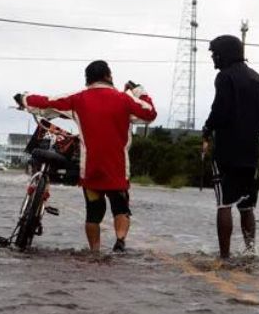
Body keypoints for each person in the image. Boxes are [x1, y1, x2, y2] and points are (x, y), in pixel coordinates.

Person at [15, 60, 157, 253]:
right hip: (117, 168)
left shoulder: (78, 99)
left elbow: (47, 102)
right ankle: (120, 241)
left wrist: (24, 98)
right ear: (108, 76)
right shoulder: (124, 100)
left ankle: (95, 252)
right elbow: (150, 113)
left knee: (93, 213)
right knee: (121, 208)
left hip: (91, 169)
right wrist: (138, 90)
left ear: (88, 79)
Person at [201, 35, 259, 259]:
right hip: (250, 152)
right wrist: (250, 128)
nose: (213, 58)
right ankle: (250, 251)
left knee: (224, 204)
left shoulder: (224, 77)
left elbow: (219, 110)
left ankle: (224, 257)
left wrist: (207, 129)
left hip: (226, 150)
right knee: (246, 205)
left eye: (215, 54)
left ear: (225, 53)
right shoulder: (257, 78)